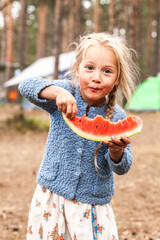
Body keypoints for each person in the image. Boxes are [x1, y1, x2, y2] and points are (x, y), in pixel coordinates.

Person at [19, 32, 139, 240]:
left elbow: (123, 167)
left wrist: (116, 152)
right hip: (52, 197)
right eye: (89, 68)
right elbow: (26, 85)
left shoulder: (118, 115)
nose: (96, 77)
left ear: (117, 78)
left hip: (91, 203)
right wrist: (57, 93)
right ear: (77, 69)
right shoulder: (65, 92)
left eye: (107, 71)